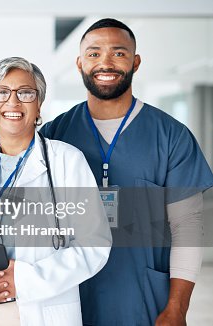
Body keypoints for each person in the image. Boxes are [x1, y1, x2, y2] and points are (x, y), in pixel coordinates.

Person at [40, 18, 213, 325]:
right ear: (79, 63)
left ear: (135, 62)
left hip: (144, 301)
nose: (105, 62)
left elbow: (187, 227)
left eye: (118, 53)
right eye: (94, 54)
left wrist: (177, 308)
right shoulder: (55, 134)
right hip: (68, 301)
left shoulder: (171, 135)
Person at [0, 57, 112, 325]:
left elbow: (94, 243)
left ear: (39, 104)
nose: (13, 102)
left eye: (25, 93)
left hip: (40, 307)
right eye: (1, 93)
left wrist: (22, 280)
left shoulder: (66, 161)